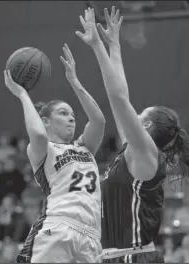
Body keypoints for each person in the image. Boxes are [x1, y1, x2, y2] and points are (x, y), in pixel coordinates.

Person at [76, 7, 189, 263]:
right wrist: (114, 45)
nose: (133, 113)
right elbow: (122, 95)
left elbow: (117, 97)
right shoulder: (134, 153)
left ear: (146, 125)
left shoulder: (147, 153)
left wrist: (97, 46)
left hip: (134, 257)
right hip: (115, 257)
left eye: (140, 113)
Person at [4, 43, 105, 263]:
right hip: (58, 227)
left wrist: (74, 80)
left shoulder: (84, 146)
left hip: (91, 235)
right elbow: (39, 135)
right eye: (63, 113)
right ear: (46, 121)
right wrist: (22, 94)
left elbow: (98, 120)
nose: (71, 118)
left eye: (72, 115)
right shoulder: (42, 149)